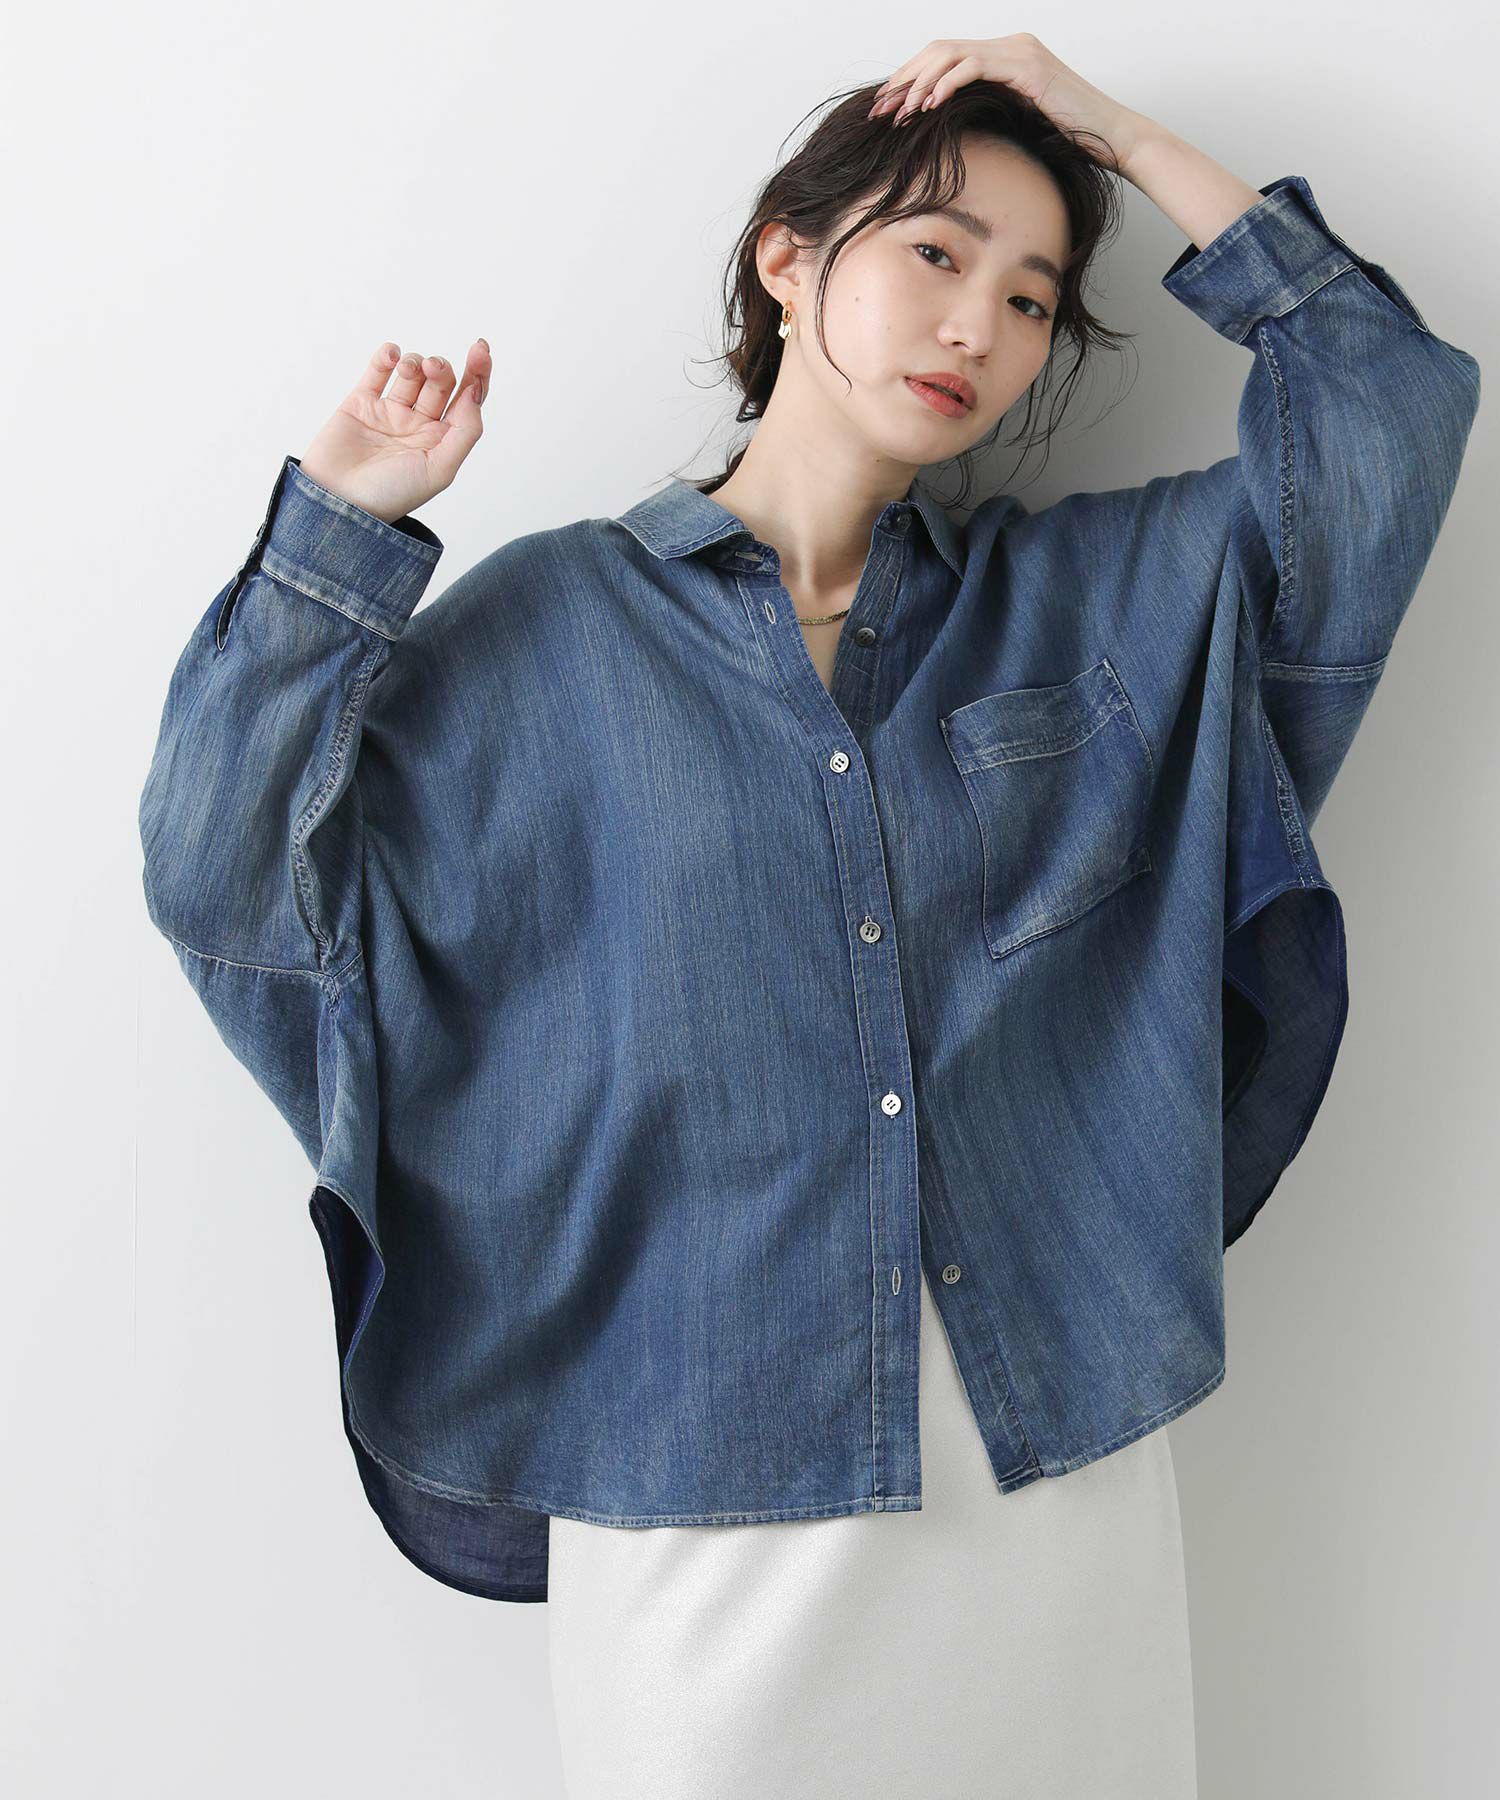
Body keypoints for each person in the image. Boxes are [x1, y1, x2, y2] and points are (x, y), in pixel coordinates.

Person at [137, 33, 1480, 1800]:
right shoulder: (543, 639)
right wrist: (336, 541)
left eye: (1030, 298)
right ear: (788, 260)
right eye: (935, 253)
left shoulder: (1093, 605)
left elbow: (1383, 413)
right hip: (697, 1509)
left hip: (1046, 1486)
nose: (977, 327)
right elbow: (230, 880)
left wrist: (1117, 131)